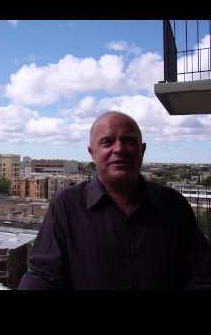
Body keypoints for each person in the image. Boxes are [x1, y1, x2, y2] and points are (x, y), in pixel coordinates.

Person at [19, 111, 211, 290]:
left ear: (142, 150)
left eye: (128, 141)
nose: (119, 149)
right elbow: (43, 275)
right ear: (92, 153)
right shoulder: (67, 205)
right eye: (107, 142)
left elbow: (201, 274)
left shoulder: (173, 204)